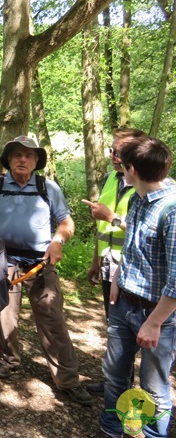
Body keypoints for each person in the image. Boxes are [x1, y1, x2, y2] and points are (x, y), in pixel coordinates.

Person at [0, 135, 92, 407]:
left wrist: (58, 242)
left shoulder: (47, 187)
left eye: (29, 155)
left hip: (41, 265)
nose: (22, 159)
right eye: (17, 154)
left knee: (53, 320)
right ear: (8, 159)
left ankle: (67, 380)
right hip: (3, 262)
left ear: (36, 161)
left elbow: (66, 222)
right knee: (6, 318)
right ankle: (10, 360)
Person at [99, 136, 176, 438]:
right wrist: (117, 280)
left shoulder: (171, 211)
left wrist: (154, 323)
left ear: (132, 169)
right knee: (114, 375)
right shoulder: (136, 198)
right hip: (124, 304)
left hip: (158, 316)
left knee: (154, 387)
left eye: (122, 162)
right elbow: (132, 246)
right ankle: (112, 430)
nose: (117, 164)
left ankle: (153, 435)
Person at [81, 128, 146, 396]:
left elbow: (147, 231)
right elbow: (102, 228)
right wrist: (96, 260)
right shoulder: (110, 178)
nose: (112, 156)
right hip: (110, 268)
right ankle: (117, 384)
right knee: (116, 330)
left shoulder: (150, 184)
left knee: (138, 333)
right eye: (111, 150)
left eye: (117, 151)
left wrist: (112, 218)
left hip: (137, 272)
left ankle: (140, 393)